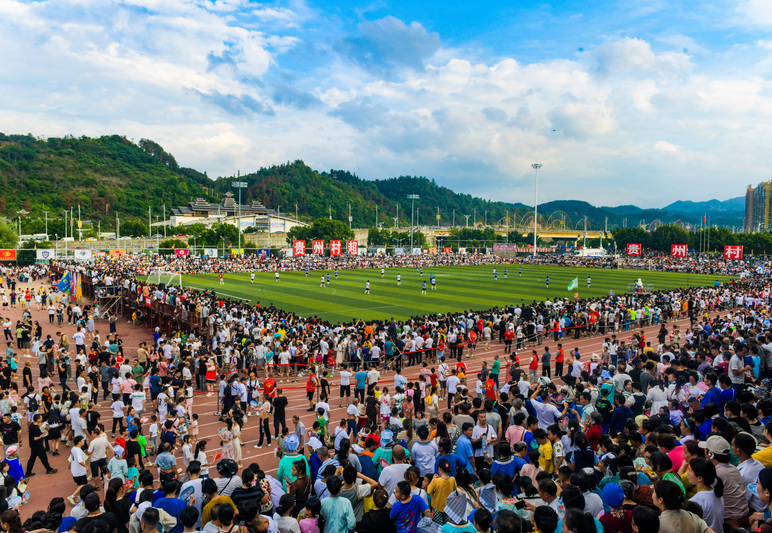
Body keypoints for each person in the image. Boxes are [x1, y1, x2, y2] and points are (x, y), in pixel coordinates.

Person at [687, 458, 724, 533]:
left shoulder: (695, 501)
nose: (687, 473)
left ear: (700, 478)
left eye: (690, 470)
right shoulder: (717, 492)